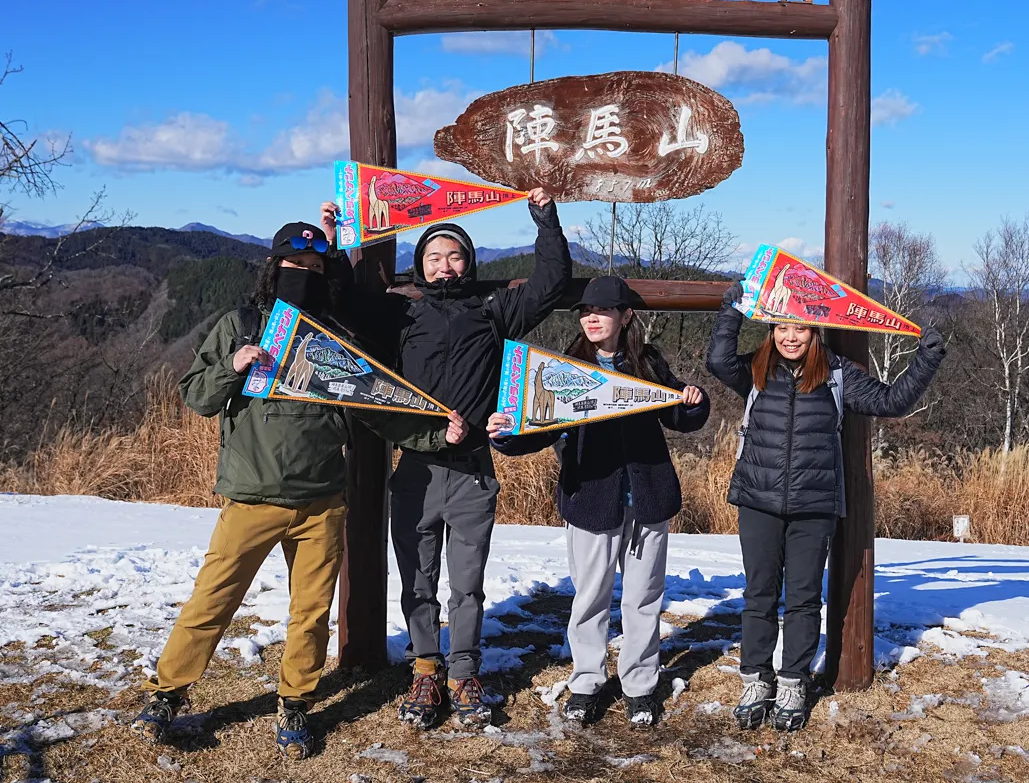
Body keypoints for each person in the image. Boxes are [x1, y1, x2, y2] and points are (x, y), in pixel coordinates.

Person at [129, 222, 468, 759]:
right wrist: (234, 366)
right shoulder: (240, 324)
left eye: (313, 270)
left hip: (321, 501)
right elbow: (196, 396)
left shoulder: (333, 339)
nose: (302, 277)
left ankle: (295, 703)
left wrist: (432, 430)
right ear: (273, 269)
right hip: (250, 496)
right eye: (292, 268)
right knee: (211, 602)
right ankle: (168, 692)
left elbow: (373, 407)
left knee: (310, 611)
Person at [318, 190, 570, 729]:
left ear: (469, 261)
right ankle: (425, 670)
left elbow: (550, 283)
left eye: (454, 255)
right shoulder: (399, 313)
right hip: (413, 468)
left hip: (474, 470)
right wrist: (338, 247)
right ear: (421, 264)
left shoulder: (493, 310)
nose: (445, 265)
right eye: (434, 256)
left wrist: (544, 216)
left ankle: (463, 673)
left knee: (468, 582)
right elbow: (342, 303)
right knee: (417, 579)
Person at [705, 281, 945, 732]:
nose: (790, 337)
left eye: (800, 328)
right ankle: (756, 679)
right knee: (758, 595)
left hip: (814, 505)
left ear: (817, 331)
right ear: (771, 330)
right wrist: (732, 310)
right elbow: (717, 360)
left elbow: (891, 401)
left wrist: (927, 358)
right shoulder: (758, 369)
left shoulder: (837, 374)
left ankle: (793, 681)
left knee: (802, 597)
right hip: (757, 499)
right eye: (781, 327)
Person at [486, 276, 709, 728]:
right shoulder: (565, 365)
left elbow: (678, 414)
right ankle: (586, 681)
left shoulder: (647, 362)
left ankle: (640, 685)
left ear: (625, 316)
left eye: (604, 310)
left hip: (647, 496)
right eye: (587, 310)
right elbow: (540, 424)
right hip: (590, 495)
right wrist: (507, 434)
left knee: (644, 598)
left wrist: (692, 401)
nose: (592, 317)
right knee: (589, 597)